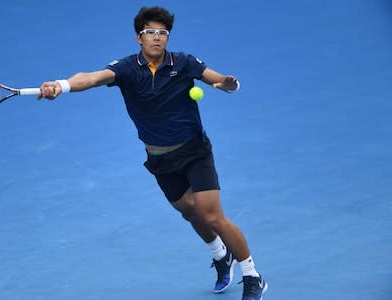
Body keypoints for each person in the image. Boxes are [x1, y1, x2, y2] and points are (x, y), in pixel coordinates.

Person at [38, 6, 267, 300]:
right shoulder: (126, 69)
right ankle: (221, 255)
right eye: (150, 33)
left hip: (195, 151)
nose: (157, 38)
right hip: (160, 159)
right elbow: (92, 78)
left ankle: (252, 275)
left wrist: (229, 85)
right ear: (139, 38)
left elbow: (219, 80)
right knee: (189, 212)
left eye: (162, 33)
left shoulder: (183, 62)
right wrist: (62, 85)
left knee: (211, 216)